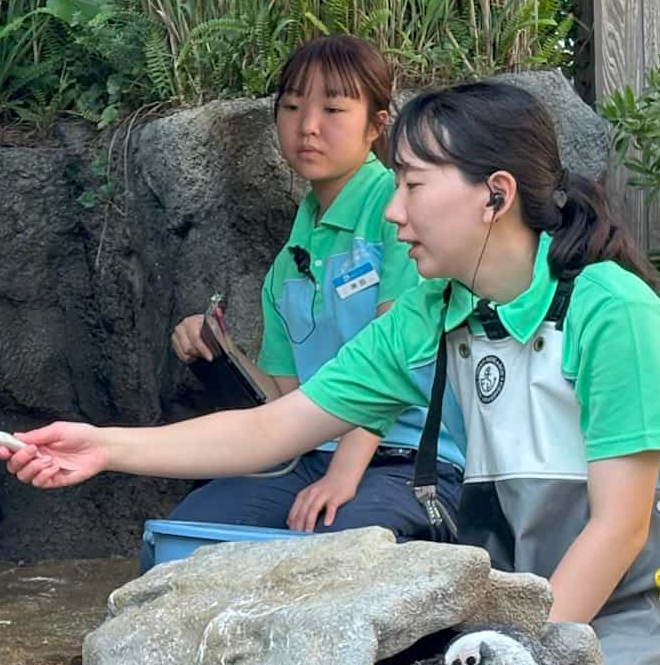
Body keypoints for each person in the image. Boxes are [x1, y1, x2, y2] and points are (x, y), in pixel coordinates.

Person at [0, 80, 660, 665]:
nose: (393, 209)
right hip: (534, 603)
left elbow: (620, 529)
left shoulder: (612, 312)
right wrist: (105, 446)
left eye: (411, 183)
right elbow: (274, 428)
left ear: (494, 195)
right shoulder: (438, 312)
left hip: (654, 608)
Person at [166, 35, 463, 551]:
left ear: (376, 124)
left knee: (333, 544)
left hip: (409, 457)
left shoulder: (400, 214)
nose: (308, 126)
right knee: (187, 533)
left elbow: (387, 371)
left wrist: (344, 476)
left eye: (333, 108)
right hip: (309, 456)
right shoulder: (288, 262)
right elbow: (284, 402)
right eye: (292, 107)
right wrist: (223, 352)